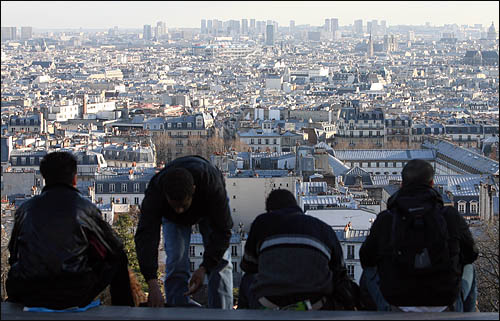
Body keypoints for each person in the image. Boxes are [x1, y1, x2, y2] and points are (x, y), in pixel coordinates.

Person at [6, 151, 135, 310]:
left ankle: (12, 305)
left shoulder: (25, 209)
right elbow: (114, 248)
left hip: (30, 291)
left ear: (44, 178)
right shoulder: (84, 208)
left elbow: (13, 252)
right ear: (75, 178)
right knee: (118, 257)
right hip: (74, 292)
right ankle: (124, 310)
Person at [359, 159, 479, 312]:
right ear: (432, 183)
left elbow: (366, 258)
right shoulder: (450, 216)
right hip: (443, 302)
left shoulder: (386, 219)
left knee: (368, 272)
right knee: (470, 268)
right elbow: (471, 254)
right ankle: (467, 317)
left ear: (402, 184)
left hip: (397, 302)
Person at [135, 155, 233, 309]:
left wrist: (205, 267)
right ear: (165, 195)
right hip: (172, 216)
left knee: (221, 263)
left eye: (183, 205)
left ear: (193, 190)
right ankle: (178, 310)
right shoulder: (156, 192)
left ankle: (222, 313)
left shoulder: (211, 185)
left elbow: (223, 231)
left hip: (207, 209)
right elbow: (146, 236)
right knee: (176, 260)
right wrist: (152, 282)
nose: (180, 211)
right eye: (175, 206)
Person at [238, 189, 359, 311]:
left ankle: (244, 314)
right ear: (296, 206)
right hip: (315, 303)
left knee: (247, 279)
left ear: (270, 211)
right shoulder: (323, 228)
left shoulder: (262, 222)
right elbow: (339, 270)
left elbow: (248, 265)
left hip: (271, 303)